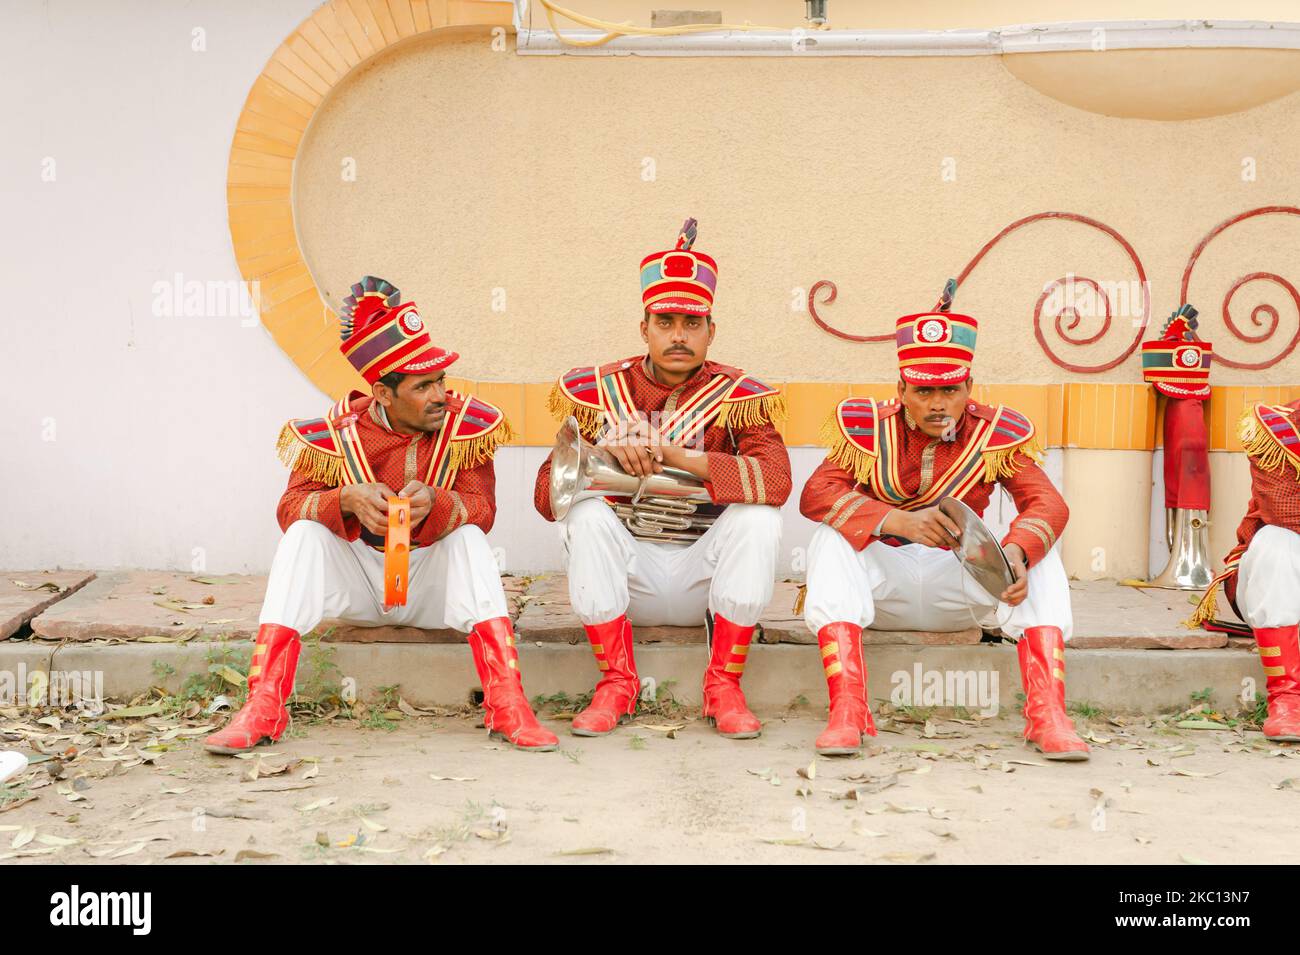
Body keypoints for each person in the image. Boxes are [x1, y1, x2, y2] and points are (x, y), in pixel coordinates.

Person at [205, 276, 557, 754]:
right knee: (303, 536)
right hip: (359, 587)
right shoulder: (331, 435)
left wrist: (438, 502)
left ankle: (507, 702)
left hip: (431, 588)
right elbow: (289, 510)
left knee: (470, 538)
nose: (440, 396)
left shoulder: (468, 428)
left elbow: (483, 509)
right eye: (423, 386)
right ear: (383, 394)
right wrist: (344, 500)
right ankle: (264, 704)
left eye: (441, 382)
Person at [534, 219, 791, 739]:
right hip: (631, 573)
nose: (679, 335)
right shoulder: (599, 391)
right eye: (666, 321)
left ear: (711, 331)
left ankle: (723, 685)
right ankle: (616, 682)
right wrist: (605, 452)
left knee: (760, 519)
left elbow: (777, 481)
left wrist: (673, 454)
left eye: (692, 324)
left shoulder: (740, 394)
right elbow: (546, 496)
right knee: (582, 516)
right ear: (644, 328)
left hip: (706, 574)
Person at [798, 308, 1087, 760]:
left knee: (1040, 553)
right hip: (882, 593)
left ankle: (1048, 715)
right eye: (924, 390)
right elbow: (816, 494)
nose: (938, 404)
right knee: (830, 539)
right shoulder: (868, 426)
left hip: (962, 586)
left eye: (950, 390)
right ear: (901, 390)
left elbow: (1048, 504)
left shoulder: (995, 432)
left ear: (968, 388)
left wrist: (1015, 551)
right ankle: (848, 710)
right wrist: (894, 520)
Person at [1189, 398, 1300, 741]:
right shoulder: (1279, 428)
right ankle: (1289, 699)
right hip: (1280, 578)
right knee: (1276, 542)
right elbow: (1286, 514)